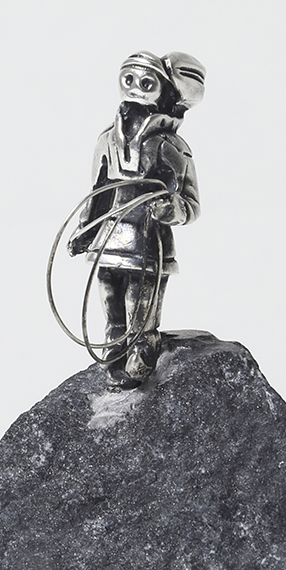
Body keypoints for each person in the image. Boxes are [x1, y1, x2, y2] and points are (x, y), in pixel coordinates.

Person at [68, 51, 204, 388]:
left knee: (139, 306)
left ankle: (142, 356)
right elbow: (98, 193)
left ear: (166, 92)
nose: (134, 89)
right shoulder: (106, 141)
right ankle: (113, 357)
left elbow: (190, 203)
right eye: (128, 79)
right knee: (110, 301)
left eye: (146, 83)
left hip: (148, 244)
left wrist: (171, 208)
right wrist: (85, 232)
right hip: (108, 241)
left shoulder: (171, 147)